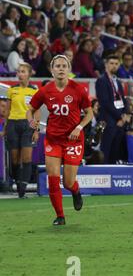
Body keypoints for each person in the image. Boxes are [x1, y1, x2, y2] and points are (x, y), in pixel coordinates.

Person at [27, 55, 93, 225]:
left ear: (69, 69)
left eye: (64, 65)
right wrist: (31, 120)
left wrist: (79, 127)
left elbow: (89, 113)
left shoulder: (78, 89)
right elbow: (31, 109)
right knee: (54, 178)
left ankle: (75, 191)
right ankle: (60, 216)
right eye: (58, 66)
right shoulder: (45, 91)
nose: (61, 68)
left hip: (73, 140)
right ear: (52, 69)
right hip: (53, 139)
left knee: (69, 182)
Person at [3, 63, 38, 198]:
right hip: (13, 124)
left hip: (27, 125)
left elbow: (37, 112)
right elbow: (7, 110)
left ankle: (23, 187)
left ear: (29, 74)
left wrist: (36, 130)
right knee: (15, 158)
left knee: (27, 157)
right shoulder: (12, 90)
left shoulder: (34, 91)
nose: (20, 74)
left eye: (23, 71)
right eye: (18, 72)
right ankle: (18, 183)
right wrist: (5, 128)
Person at [96, 55, 131, 164]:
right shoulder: (101, 81)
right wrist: (119, 117)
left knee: (116, 151)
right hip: (108, 121)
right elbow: (105, 102)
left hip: (120, 121)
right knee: (106, 149)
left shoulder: (118, 81)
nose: (114, 66)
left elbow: (123, 99)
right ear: (106, 65)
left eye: (116, 64)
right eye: (111, 63)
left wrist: (125, 114)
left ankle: (114, 172)